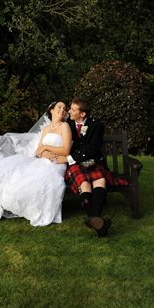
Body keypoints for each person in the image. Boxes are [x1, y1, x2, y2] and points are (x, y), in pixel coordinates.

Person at [51, 97, 128, 237]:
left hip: (92, 161)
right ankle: (98, 220)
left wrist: (69, 158)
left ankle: (94, 218)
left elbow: (92, 148)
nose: (69, 111)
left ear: (82, 114)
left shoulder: (96, 125)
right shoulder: (67, 124)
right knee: (84, 183)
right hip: (76, 165)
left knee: (100, 180)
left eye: (73, 109)